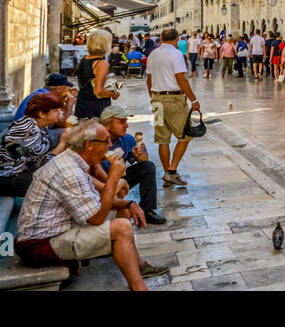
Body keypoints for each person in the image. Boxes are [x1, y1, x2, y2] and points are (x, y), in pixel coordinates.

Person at [14, 119, 169, 288]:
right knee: (122, 227)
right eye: (106, 141)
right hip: (41, 243)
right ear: (89, 145)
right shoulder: (70, 171)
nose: (110, 146)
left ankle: (139, 266)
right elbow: (95, 219)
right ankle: (139, 287)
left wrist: (128, 204)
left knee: (123, 212)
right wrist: (113, 179)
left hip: (58, 230)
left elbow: (95, 201)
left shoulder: (73, 161)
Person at [145, 27, 200, 188]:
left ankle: (167, 172)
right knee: (185, 136)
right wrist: (193, 99)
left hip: (157, 98)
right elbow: (181, 79)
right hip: (173, 100)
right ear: (176, 39)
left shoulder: (153, 54)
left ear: (161, 38)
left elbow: (149, 80)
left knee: (163, 139)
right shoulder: (176, 54)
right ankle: (172, 170)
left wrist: (153, 98)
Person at [0, 93, 69, 197]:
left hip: (20, 173)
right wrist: (62, 143)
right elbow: (43, 166)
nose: (59, 112)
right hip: (7, 179)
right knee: (60, 181)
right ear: (42, 114)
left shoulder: (38, 126)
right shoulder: (27, 129)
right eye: (55, 110)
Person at [99, 104, 166, 224]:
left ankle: (147, 210)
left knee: (148, 166)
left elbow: (144, 161)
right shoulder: (96, 140)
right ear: (107, 125)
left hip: (119, 178)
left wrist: (139, 156)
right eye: (121, 122)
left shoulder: (127, 139)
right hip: (99, 181)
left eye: (126, 121)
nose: (126, 125)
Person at [75, 28, 120, 120]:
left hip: (82, 104)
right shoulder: (101, 63)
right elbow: (98, 91)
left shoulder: (84, 59)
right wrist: (113, 93)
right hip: (96, 108)